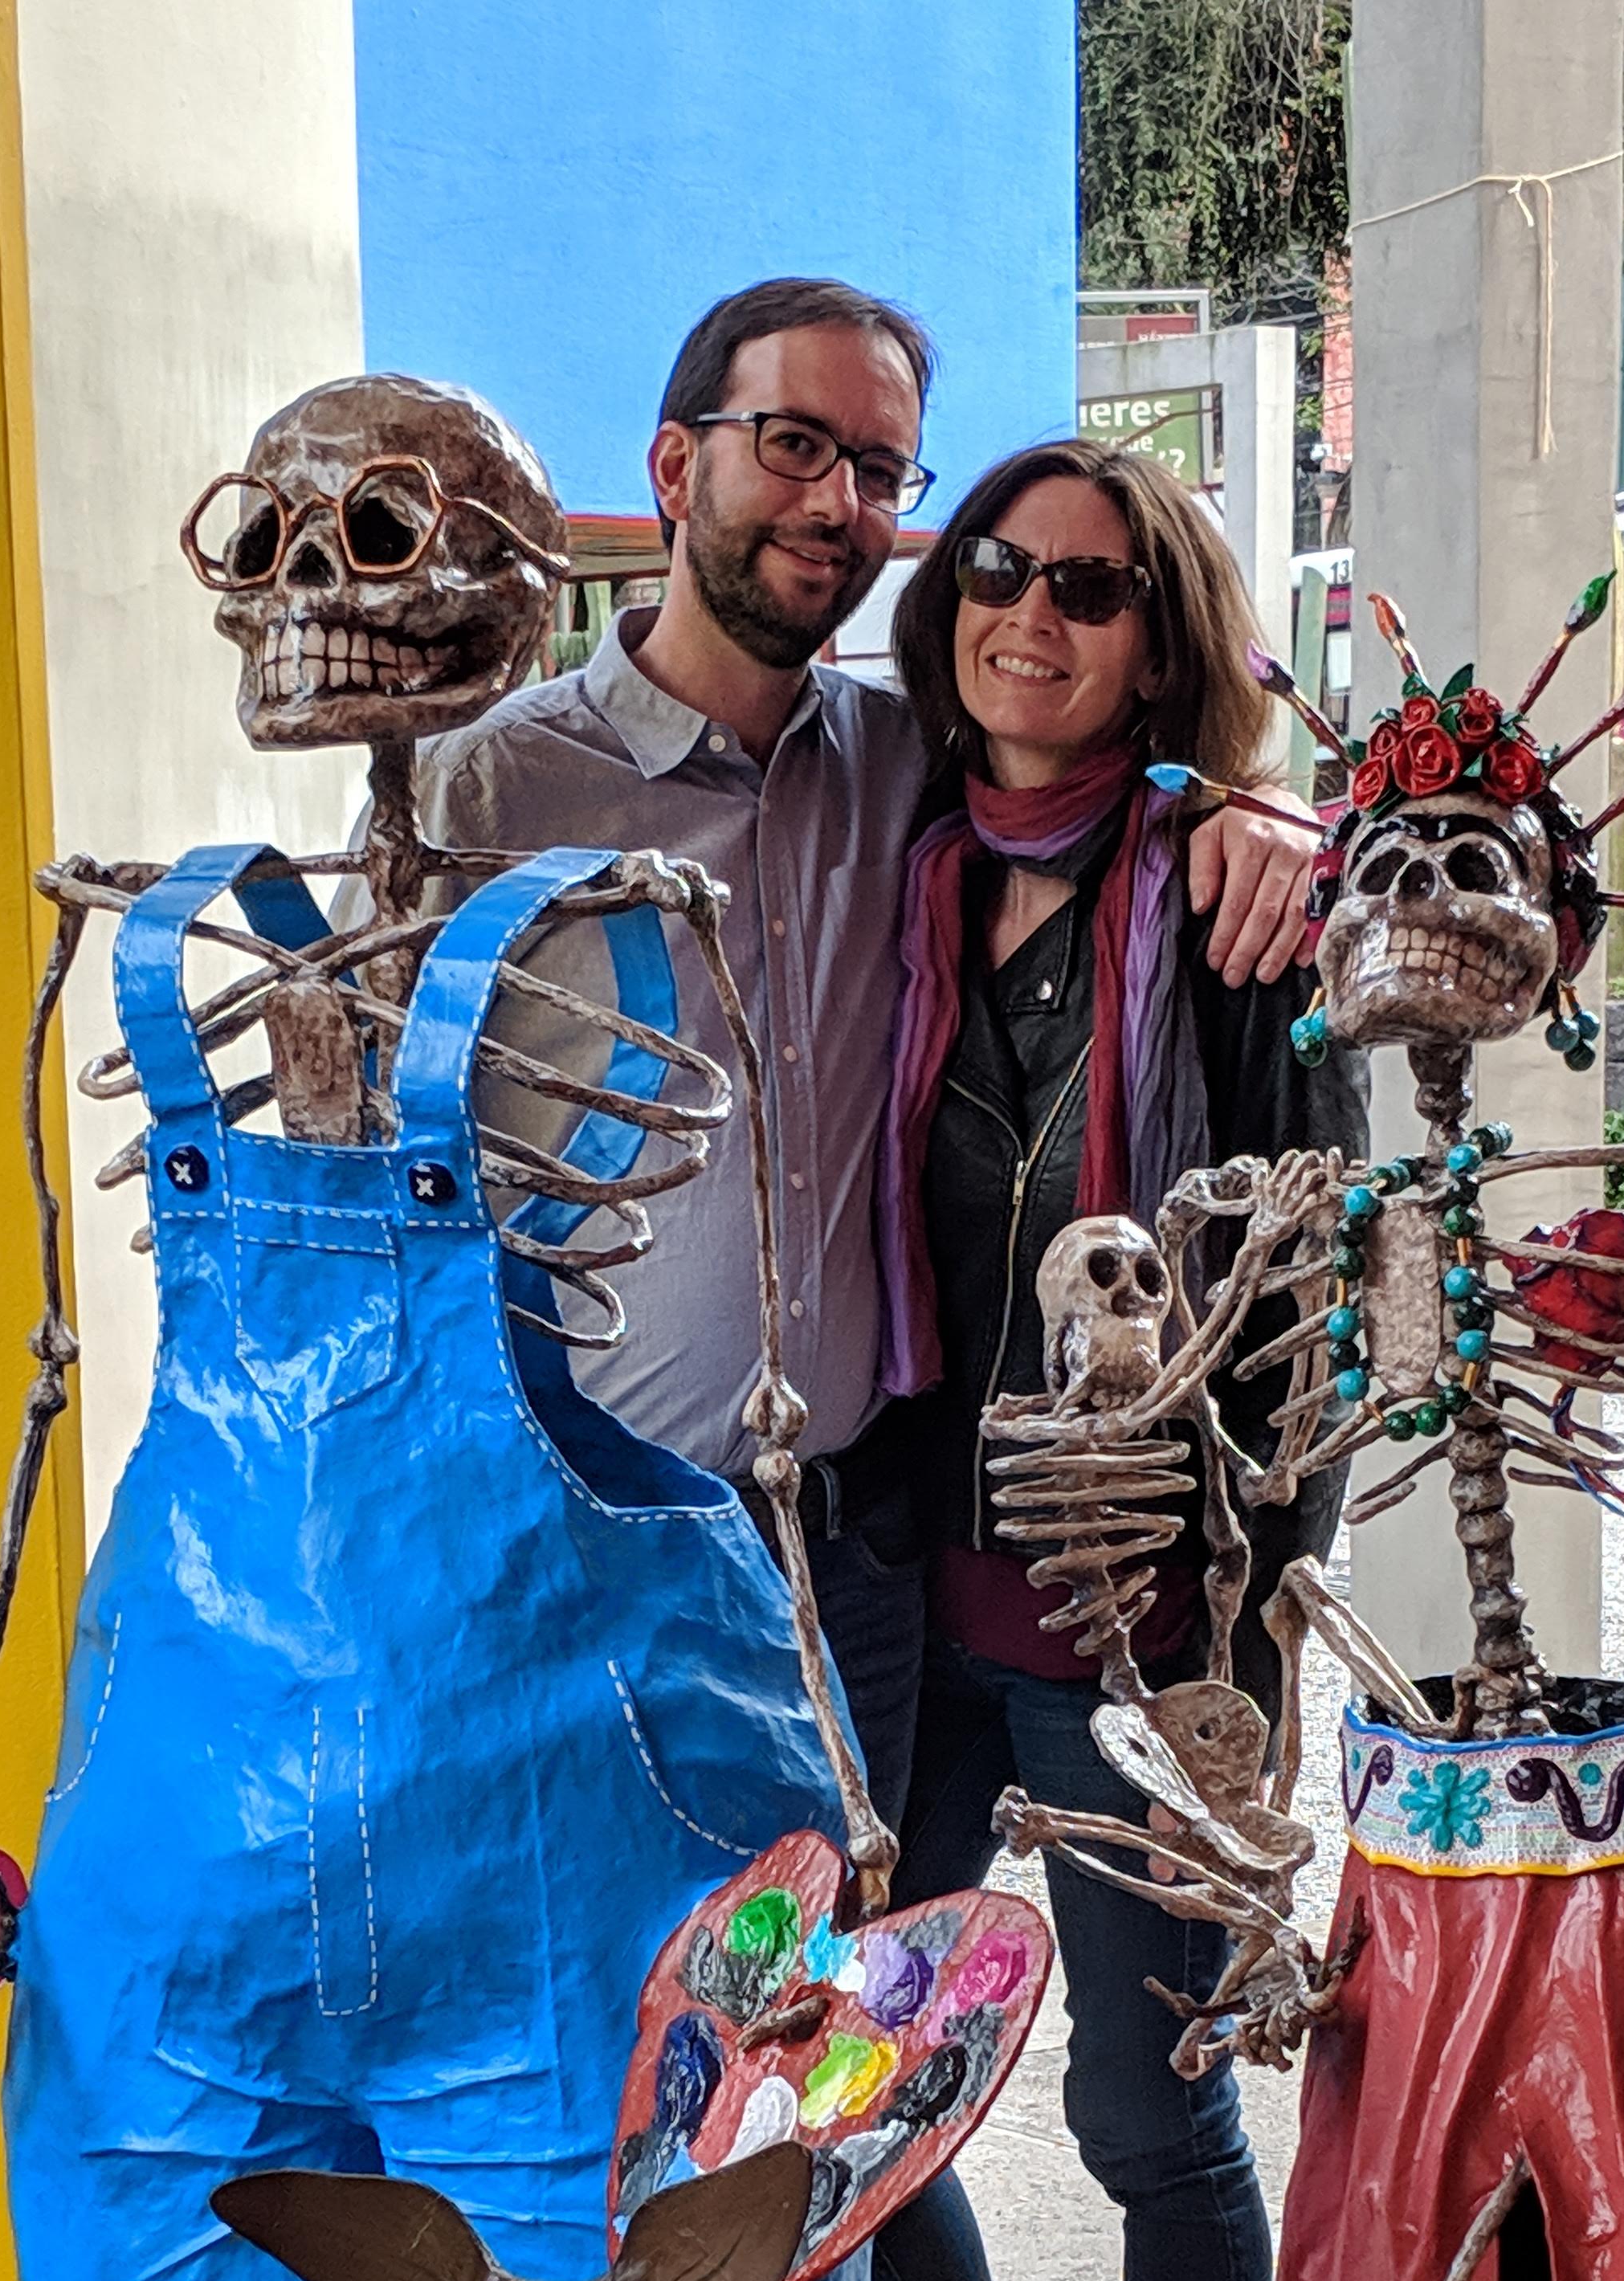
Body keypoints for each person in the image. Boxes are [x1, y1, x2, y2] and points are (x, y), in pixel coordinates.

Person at [414, 279, 1316, 1837]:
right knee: (605, 1983)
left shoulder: (911, 774)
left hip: (858, 1563)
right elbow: (374, 1200)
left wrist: (1274, 817)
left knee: (855, 1981)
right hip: (589, 1559)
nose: (837, 501)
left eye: (880, 468)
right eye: (794, 443)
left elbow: (1124, 790)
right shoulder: (481, 799)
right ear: (676, 466)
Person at [855, 444, 1366, 2281]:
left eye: (1090, 587)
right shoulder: (899, 877)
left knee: (1151, 2118)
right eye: (999, 568)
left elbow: (1312, 1317)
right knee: (860, 2074)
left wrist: (1244, 1645)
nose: (1031, 614)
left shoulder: (1236, 921)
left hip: (1138, 1627)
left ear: (1160, 648)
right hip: (900, 1597)